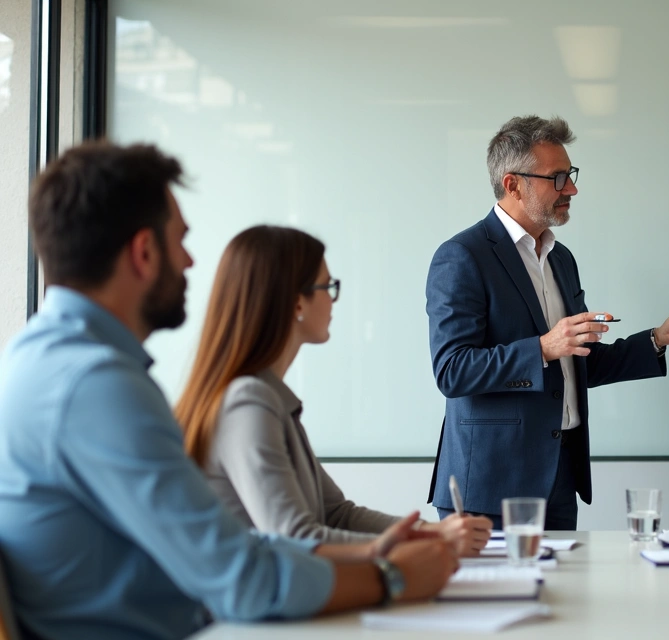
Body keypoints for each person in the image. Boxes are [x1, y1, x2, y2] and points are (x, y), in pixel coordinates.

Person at [0, 141, 457, 640]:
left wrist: (370, 553)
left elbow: (237, 548)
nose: (191, 260)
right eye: (181, 240)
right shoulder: (95, 386)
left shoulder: (39, 362)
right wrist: (389, 576)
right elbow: (242, 579)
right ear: (144, 252)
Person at [425, 115, 669, 530]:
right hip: (489, 490)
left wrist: (658, 338)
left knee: (559, 597)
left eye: (571, 175)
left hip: (558, 478)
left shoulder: (560, 259)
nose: (572, 188)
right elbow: (452, 371)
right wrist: (543, 347)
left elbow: (577, 363)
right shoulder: (462, 256)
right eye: (558, 178)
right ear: (513, 184)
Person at [175, 225, 492, 557]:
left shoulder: (268, 397)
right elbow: (297, 538)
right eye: (327, 286)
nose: (333, 298)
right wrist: (433, 542)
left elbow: (337, 514)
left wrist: (434, 529)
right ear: (297, 302)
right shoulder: (248, 403)